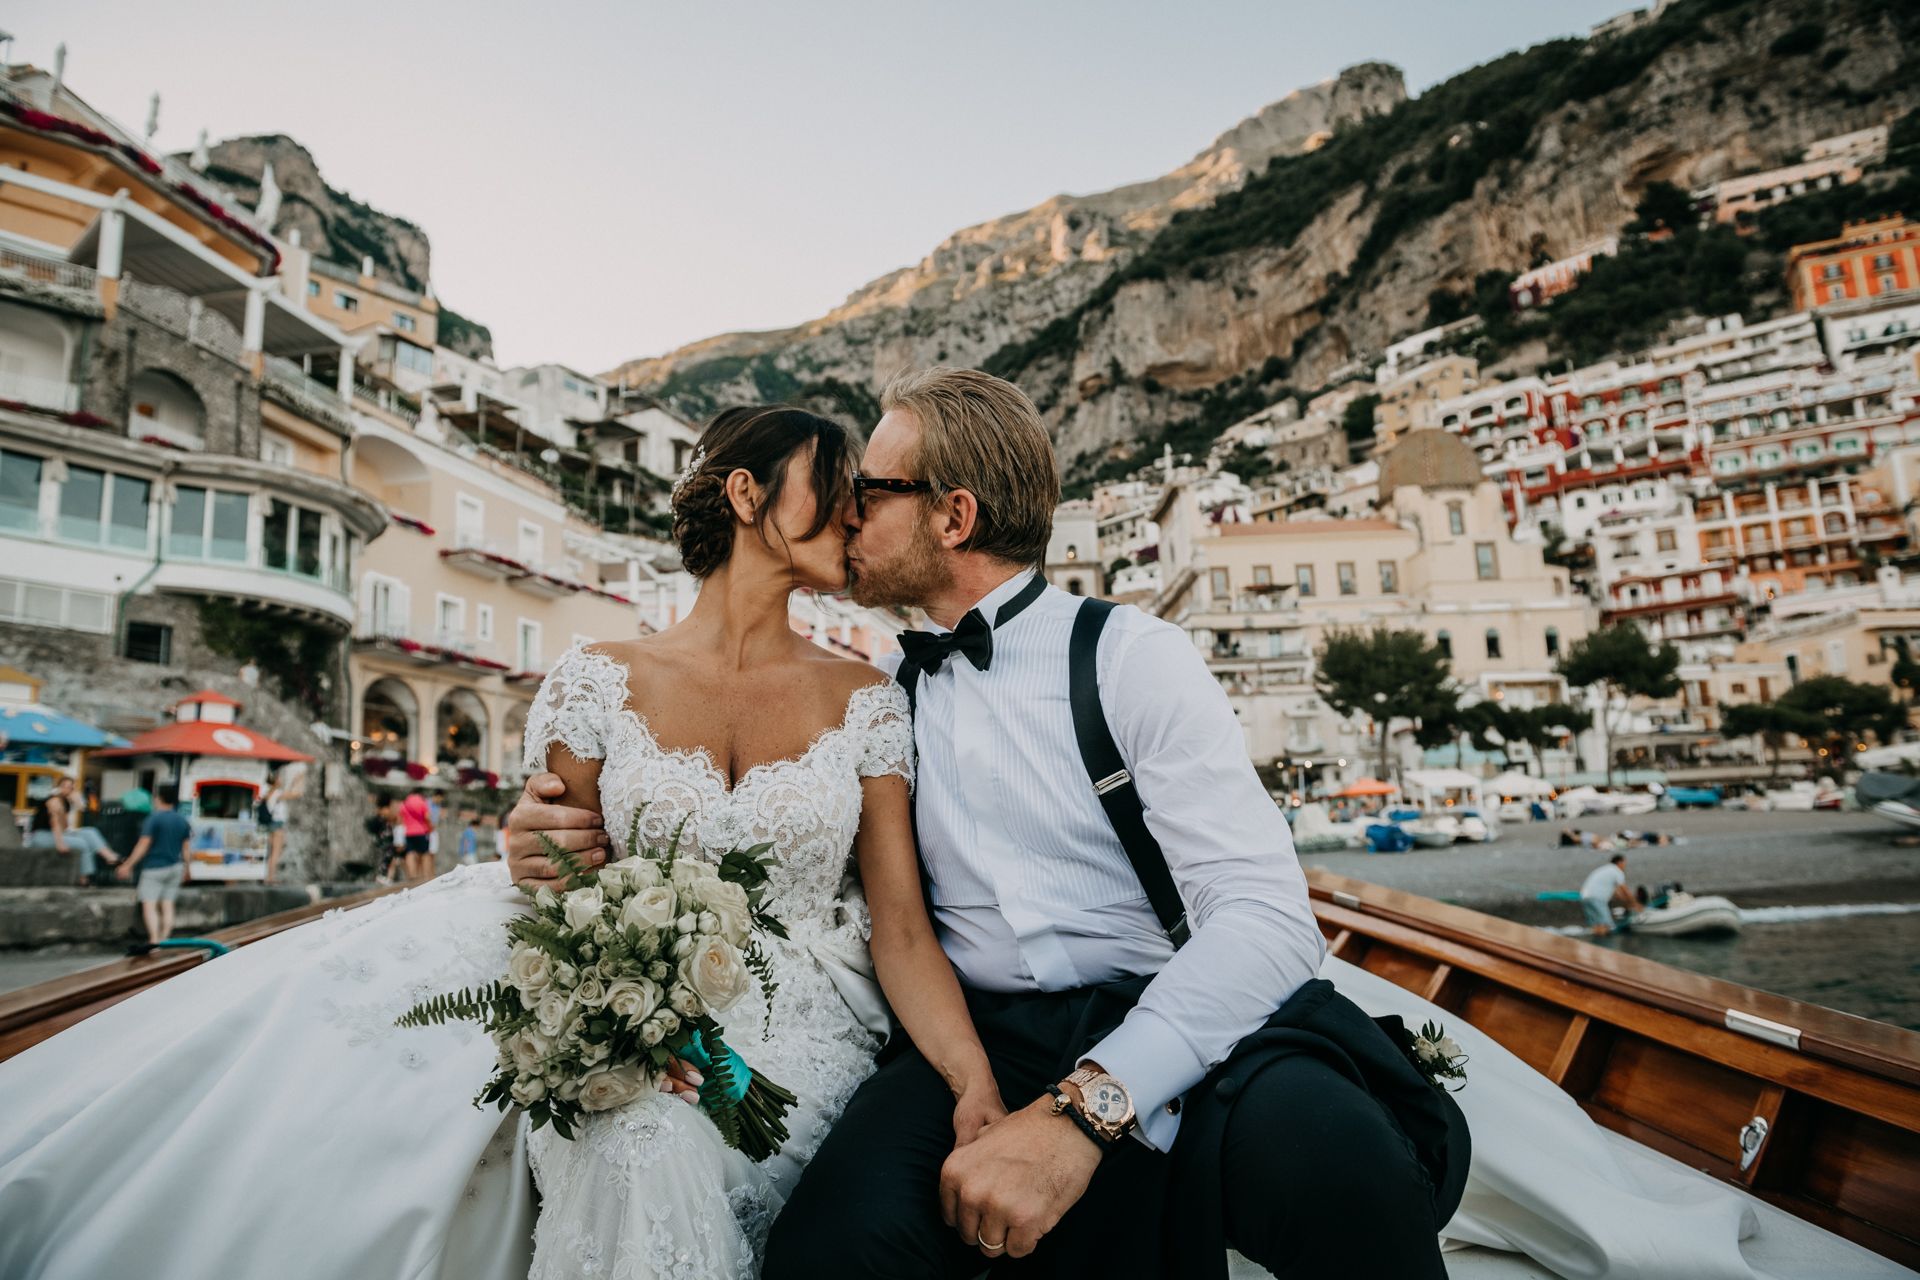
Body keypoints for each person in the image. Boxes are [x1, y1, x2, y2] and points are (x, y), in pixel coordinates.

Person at [510, 369, 1468, 1280]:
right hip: (979, 1033)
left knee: (1350, 1180)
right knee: (833, 1254)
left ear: (953, 516)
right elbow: (811, 875)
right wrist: (548, 842)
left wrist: (1088, 1108)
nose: (849, 509)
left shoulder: (1134, 659)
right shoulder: (875, 699)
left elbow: (1265, 916)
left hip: (1165, 1003)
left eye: (871, 491)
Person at [0, 403, 979, 1280]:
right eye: (836, 482)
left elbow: (900, 927)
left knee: (657, 1130)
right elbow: (560, 865)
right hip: (633, 982)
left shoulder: (866, 699)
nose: (856, 507)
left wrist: (977, 1084)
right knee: (618, 1120)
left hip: (804, 1013)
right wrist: (618, 992)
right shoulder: (596, 678)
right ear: (747, 493)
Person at [115, 784, 191, 945]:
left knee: (150, 905)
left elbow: (143, 844)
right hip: (176, 867)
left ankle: (154, 940)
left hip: (155, 866)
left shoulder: (153, 819)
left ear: (158, 799)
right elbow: (186, 849)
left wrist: (128, 865)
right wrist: (187, 869)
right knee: (168, 904)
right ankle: (165, 939)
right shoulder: (182, 821)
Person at [27, 776, 118, 886]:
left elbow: (65, 826)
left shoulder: (65, 802)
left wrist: (75, 802)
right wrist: (60, 844)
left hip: (55, 833)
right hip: (41, 836)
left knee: (90, 832)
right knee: (82, 844)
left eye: (70, 787)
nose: (68, 790)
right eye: (65, 787)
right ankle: (82, 880)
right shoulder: (55, 801)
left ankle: (110, 857)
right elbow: (54, 823)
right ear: (58, 787)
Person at [261, 760, 307, 885]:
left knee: (271, 850)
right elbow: (296, 793)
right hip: (277, 823)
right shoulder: (276, 793)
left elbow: (291, 791)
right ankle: (269, 877)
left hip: (270, 823)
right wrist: (300, 780)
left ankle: (268, 876)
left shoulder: (267, 792)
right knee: (276, 850)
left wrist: (294, 782)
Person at [1580, 853, 1637, 937]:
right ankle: (1606, 947)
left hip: (1585, 896)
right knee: (1606, 925)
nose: (1625, 867)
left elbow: (1617, 895)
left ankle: (1595, 945)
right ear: (1619, 863)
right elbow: (1625, 892)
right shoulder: (1617, 871)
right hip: (1596, 898)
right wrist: (1635, 904)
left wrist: (1626, 906)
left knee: (1596, 925)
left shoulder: (1606, 870)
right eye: (1624, 864)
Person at [399, 786, 434, 883]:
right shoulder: (422, 801)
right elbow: (427, 817)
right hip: (421, 831)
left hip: (408, 832)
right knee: (425, 854)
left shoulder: (404, 803)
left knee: (410, 853)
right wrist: (430, 827)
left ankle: (412, 875)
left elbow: (401, 818)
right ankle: (426, 876)